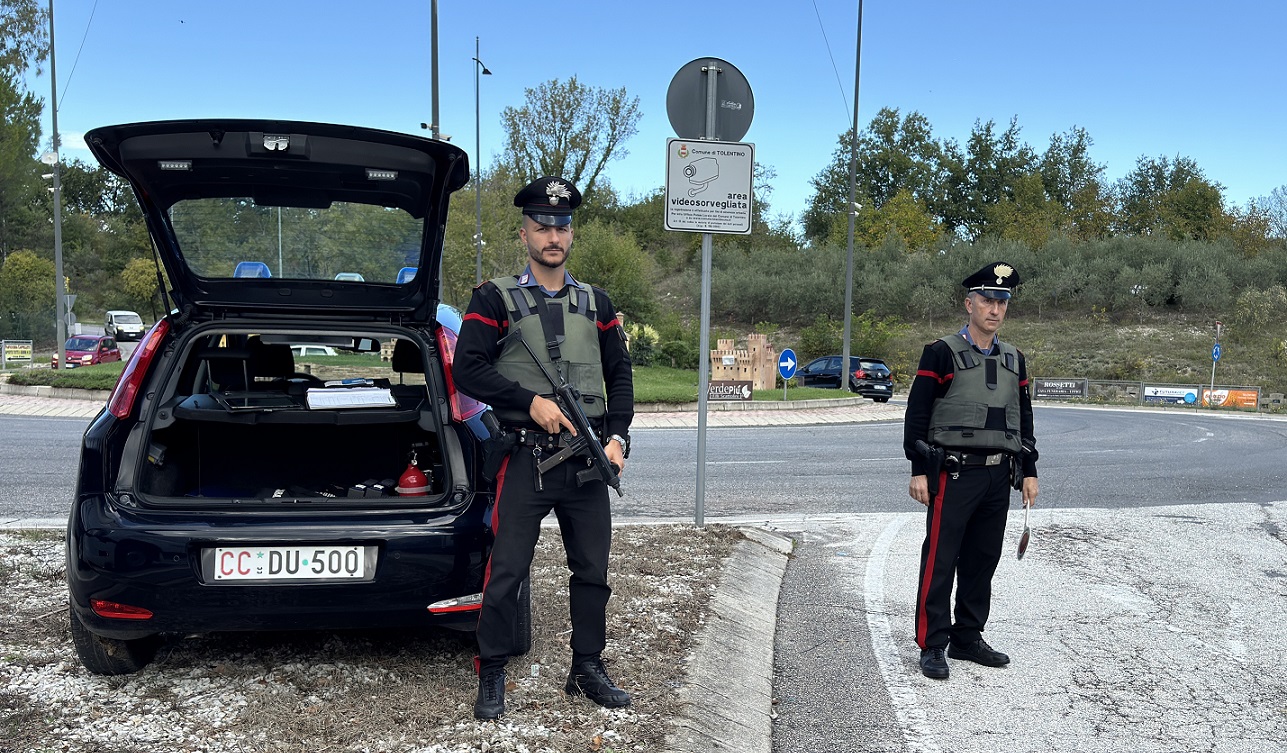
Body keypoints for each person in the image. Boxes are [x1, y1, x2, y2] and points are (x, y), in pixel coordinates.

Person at [453, 176, 634, 720]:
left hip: (586, 461)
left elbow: (619, 374)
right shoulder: (493, 298)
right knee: (506, 570)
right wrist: (528, 401)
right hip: (525, 456)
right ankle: (493, 673)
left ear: (571, 234)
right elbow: (467, 368)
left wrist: (620, 436)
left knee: (593, 572)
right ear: (524, 232)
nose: (552, 235)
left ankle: (587, 668)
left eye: (561, 226)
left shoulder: (597, 303)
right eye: (542, 226)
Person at [902, 261, 1039, 680]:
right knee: (941, 559)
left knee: (983, 560)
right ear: (969, 304)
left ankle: (967, 637)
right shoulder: (940, 352)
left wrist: (1029, 469)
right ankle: (933, 644)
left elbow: (1024, 419)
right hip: (953, 474)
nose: (994, 309)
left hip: (999, 475)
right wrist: (919, 469)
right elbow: (917, 415)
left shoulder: (1015, 359)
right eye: (987, 300)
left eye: (1002, 302)